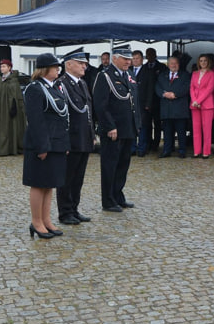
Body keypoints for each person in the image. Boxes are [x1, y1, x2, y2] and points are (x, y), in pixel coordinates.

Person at [22, 53, 68, 240]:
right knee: (38, 184)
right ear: (44, 69)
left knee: (50, 185)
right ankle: (36, 222)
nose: (58, 69)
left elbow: (63, 117)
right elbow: (36, 120)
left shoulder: (55, 87)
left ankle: (46, 220)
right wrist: (43, 146)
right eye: (55, 66)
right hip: (40, 144)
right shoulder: (35, 88)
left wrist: (64, 143)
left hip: (56, 142)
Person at [93, 44, 140, 212]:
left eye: (130, 58)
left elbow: (134, 103)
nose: (129, 61)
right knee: (110, 165)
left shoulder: (129, 75)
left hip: (128, 128)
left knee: (123, 165)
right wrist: (109, 126)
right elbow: (100, 105)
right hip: (113, 130)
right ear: (115, 58)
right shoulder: (105, 76)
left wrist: (137, 125)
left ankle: (118, 195)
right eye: (125, 58)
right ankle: (108, 200)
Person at [56, 48, 94, 226]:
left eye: (84, 63)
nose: (84, 66)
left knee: (78, 177)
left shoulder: (81, 83)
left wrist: (92, 134)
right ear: (68, 64)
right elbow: (62, 115)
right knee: (67, 177)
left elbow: (88, 111)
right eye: (80, 63)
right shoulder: (62, 84)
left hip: (83, 137)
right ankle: (65, 211)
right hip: (71, 138)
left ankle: (74, 208)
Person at [0, 59, 26, 156]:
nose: (2, 68)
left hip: (9, 109)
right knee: (1, 127)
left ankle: (10, 149)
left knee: (10, 127)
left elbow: (16, 95)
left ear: (9, 68)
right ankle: (1, 147)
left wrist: (14, 106)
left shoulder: (13, 81)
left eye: (4, 66)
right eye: (1, 67)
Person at [156, 55, 190, 158]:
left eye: (176, 63)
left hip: (180, 108)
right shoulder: (162, 75)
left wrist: (175, 94)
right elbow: (157, 87)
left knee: (181, 131)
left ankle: (182, 151)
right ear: (168, 64)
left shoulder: (185, 75)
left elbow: (186, 88)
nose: (173, 65)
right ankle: (167, 150)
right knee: (167, 132)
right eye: (171, 63)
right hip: (166, 108)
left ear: (179, 65)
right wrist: (164, 94)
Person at [189, 53, 214, 159]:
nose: (203, 63)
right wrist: (194, 100)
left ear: (208, 62)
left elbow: (209, 89)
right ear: (198, 62)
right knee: (196, 129)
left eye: (205, 61)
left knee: (207, 129)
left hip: (207, 104)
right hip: (195, 103)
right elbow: (191, 88)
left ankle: (206, 151)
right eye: (201, 61)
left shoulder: (211, 74)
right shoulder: (195, 73)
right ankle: (196, 151)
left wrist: (198, 100)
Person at [130, 50, 156, 157]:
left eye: (137, 58)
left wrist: (148, 104)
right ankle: (132, 148)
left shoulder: (148, 71)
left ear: (142, 59)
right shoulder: (128, 71)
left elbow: (150, 89)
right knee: (131, 127)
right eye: (134, 58)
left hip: (142, 104)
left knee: (142, 127)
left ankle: (142, 148)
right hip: (130, 104)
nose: (135, 60)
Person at [144, 47, 167, 151]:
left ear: (155, 55)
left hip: (158, 100)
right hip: (146, 101)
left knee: (157, 124)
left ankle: (156, 144)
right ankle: (148, 143)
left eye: (152, 54)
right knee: (147, 124)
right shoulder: (144, 68)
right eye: (148, 54)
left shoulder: (162, 67)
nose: (150, 56)